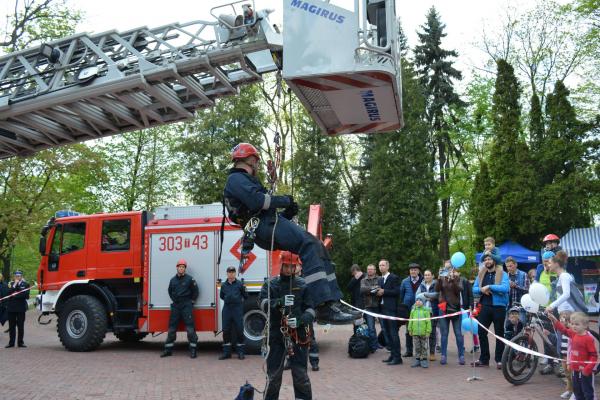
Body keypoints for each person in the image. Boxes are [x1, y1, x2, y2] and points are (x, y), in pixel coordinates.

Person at [223, 143, 356, 324]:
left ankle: (333, 301)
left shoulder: (244, 181)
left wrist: (287, 212)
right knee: (307, 245)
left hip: (267, 224)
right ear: (252, 160)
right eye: (257, 162)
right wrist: (283, 200)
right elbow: (256, 202)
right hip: (261, 226)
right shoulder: (236, 179)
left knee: (317, 245)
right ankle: (323, 306)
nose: (258, 166)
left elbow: (262, 209)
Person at [259, 252, 314, 400]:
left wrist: (301, 320)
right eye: (287, 266)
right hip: (277, 334)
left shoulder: (303, 284)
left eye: (292, 267)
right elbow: (262, 304)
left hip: (298, 335)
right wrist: (278, 302)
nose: (289, 270)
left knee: (300, 375)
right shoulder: (271, 284)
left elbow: (311, 309)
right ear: (281, 265)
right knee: (274, 376)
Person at [548, 312, 598, 400]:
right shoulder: (573, 334)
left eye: (577, 324)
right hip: (575, 370)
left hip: (585, 372)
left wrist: (587, 369)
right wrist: (554, 320)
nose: (574, 326)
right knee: (577, 391)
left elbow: (594, 356)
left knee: (587, 392)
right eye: (572, 324)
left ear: (585, 325)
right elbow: (563, 330)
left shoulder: (588, 338)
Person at [472, 251, 509, 369]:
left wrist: (490, 287)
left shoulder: (502, 273)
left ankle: (499, 360)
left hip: (499, 307)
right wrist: (481, 290)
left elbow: (505, 288)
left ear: (494, 261)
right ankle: (484, 359)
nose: (487, 261)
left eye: (489, 259)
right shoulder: (481, 274)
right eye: (485, 260)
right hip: (485, 306)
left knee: (499, 333)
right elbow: (474, 289)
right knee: (481, 332)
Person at [161, 259, 199, 358]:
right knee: (172, 328)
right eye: (180, 267)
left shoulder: (190, 279)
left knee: (190, 328)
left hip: (186, 305)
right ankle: (168, 349)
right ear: (177, 268)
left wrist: (191, 301)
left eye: (183, 267)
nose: (181, 268)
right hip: (176, 306)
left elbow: (196, 291)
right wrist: (175, 300)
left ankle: (193, 350)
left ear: (185, 269)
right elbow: (170, 291)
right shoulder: (172, 280)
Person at [436, 260, 465, 365]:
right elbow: (437, 289)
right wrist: (439, 279)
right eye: (445, 268)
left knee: (458, 333)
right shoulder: (442, 278)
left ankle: (461, 355)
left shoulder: (458, 278)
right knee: (444, 334)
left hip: (455, 310)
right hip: (444, 309)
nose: (447, 270)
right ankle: (443, 355)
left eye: (449, 268)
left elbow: (459, 290)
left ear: (453, 268)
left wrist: (453, 280)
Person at [219, 266, 248, 360]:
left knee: (239, 329)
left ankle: (240, 352)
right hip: (227, 309)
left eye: (233, 272)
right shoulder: (223, 285)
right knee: (226, 330)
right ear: (227, 274)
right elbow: (222, 296)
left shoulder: (240, 284)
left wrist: (237, 302)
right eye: (229, 272)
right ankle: (227, 353)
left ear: (235, 273)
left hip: (237, 309)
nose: (231, 274)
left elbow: (245, 296)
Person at [377, 259, 402, 365]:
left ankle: (398, 357)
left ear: (388, 267)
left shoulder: (394, 278)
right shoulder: (380, 279)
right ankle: (392, 354)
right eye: (379, 265)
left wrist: (384, 291)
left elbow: (397, 291)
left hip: (391, 309)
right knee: (386, 332)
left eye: (383, 265)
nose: (381, 267)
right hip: (382, 309)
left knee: (393, 333)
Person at [399, 263, 423, 357]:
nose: (413, 271)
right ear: (409, 271)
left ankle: (421, 352)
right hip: (408, 309)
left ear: (418, 271)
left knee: (421, 331)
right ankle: (409, 351)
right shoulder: (405, 281)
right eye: (411, 270)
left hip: (420, 309)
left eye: (415, 269)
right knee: (409, 330)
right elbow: (401, 295)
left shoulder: (423, 280)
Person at [416, 269, 438, 361]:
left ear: (432, 276)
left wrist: (425, 295)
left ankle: (432, 353)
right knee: (422, 333)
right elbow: (417, 296)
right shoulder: (421, 285)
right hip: (423, 313)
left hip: (433, 312)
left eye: (429, 275)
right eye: (425, 275)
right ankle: (423, 353)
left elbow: (437, 294)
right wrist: (429, 297)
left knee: (432, 333)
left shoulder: (436, 284)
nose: (427, 276)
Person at [5, 270, 30, 348]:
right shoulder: (10, 284)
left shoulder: (26, 284)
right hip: (11, 308)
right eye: (16, 276)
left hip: (21, 308)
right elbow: (8, 293)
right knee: (11, 326)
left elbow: (26, 295)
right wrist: (15, 285)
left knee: (20, 326)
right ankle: (11, 343)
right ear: (14, 276)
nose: (17, 277)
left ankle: (20, 342)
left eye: (19, 276)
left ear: (21, 276)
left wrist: (14, 295)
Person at [359, 263, 381, 352]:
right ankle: (374, 345)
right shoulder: (363, 280)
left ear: (375, 270)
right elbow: (362, 290)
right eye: (368, 269)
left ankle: (385, 343)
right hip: (368, 306)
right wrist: (374, 289)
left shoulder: (380, 279)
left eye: (371, 269)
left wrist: (370, 290)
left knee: (384, 327)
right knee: (371, 328)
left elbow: (380, 288)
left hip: (379, 306)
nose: (370, 271)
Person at [408, 293, 432, 368]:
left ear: (423, 302)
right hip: (415, 333)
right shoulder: (413, 311)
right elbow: (410, 320)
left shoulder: (426, 311)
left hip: (423, 333)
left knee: (424, 347)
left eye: (420, 300)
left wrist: (428, 331)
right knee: (417, 346)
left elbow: (428, 322)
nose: (418, 301)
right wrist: (410, 329)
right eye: (417, 300)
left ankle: (424, 359)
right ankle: (417, 359)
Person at [505, 256, 529, 323]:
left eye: (510, 266)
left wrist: (515, 286)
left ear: (516, 264)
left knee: (520, 329)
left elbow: (527, 291)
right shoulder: (505, 276)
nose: (509, 268)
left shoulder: (524, 275)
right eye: (507, 266)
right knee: (507, 330)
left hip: (520, 307)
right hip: (508, 307)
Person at [557, 310, 574, 399]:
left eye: (564, 319)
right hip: (563, 356)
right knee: (567, 375)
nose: (562, 321)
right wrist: (548, 334)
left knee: (572, 374)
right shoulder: (560, 331)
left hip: (571, 358)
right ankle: (569, 390)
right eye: (561, 319)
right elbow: (556, 341)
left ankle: (575, 391)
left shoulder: (571, 331)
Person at [347, 264, 364, 332]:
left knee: (362, 322)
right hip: (354, 304)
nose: (352, 274)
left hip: (363, 303)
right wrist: (355, 278)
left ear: (355, 270)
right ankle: (356, 336)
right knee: (355, 322)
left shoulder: (365, 276)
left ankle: (363, 338)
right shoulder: (353, 279)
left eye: (352, 272)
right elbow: (348, 288)